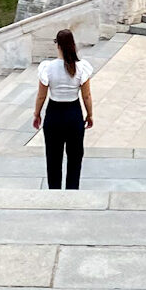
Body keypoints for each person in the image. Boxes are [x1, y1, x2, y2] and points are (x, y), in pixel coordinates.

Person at [32, 28, 94, 189]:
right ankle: (72, 191)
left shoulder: (48, 68)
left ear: (57, 45)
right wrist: (90, 115)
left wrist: (37, 114)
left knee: (53, 158)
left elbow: (41, 96)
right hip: (74, 114)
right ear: (72, 45)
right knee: (75, 157)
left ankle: (54, 191)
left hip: (54, 114)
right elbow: (86, 96)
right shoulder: (81, 68)